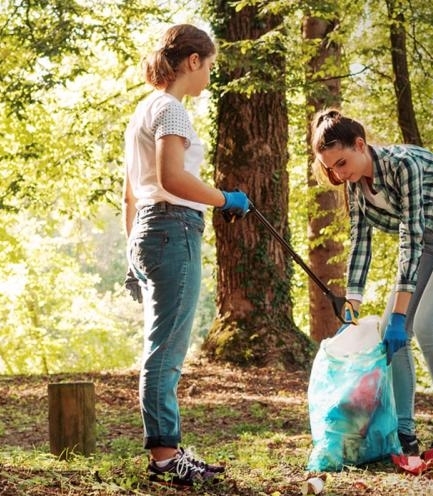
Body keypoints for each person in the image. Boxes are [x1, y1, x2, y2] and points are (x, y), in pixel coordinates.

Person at [310, 108, 433, 457]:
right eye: (331, 168)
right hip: (430, 242)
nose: (338, 173)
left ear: (360, 145)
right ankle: (404, 433)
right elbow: (359, 243)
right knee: (389, 333)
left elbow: (409, 237)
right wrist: (352, 305)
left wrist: (400, 315)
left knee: (427, 326)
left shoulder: (403, 165)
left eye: (341, 162)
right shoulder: (355, 187)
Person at [122, 24, 249, 487]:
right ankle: (163, 456)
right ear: (192, 61)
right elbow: (173, 180)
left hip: (151, 231)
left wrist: (132, 252)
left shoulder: (143, 110)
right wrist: (225, 199)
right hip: (173, 228)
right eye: (209, 66)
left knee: (163, 344)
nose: (210, 76)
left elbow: (129, 194)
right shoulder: (171, 110)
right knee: (167, 348)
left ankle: (168, 449)